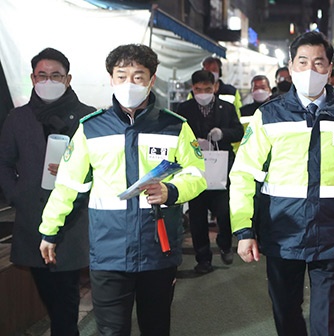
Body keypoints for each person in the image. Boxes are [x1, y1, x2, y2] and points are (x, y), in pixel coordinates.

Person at [38, 44, 206, 336]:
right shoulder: (91, 128)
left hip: (158, 249)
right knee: (111, 331)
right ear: (111, 79)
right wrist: (49, 231)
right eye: (121, 76)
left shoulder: (175, 127)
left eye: (138, 76)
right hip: (109, 250)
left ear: (152, 80)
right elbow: (68, 183)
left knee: (156, 328)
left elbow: (197, 175)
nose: (130, 83)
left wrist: (171, 190)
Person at [229, 31, 334, 336]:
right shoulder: (269, 115)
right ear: (290, 65)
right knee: (286, 313)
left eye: (319, 63)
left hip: (333, 232)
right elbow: (243, 174)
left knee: (327, 319)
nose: (310, 70)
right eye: (303, 62)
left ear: (329, 68)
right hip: (283, 231)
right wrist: (244, 230)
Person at [0, 47, 94, 336]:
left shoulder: (87, 117)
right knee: (49, 293)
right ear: (32, 78)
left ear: (67, 79)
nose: (48, 80)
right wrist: (16, 194)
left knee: (65, 295)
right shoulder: (18, 118)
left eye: (56, 75)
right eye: (43, 75)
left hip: (72, 220)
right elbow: (4, 163)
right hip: (31, 219)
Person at [176, 70, 243, 274]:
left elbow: (239, 131)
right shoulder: (184, 108)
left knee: (224, 212)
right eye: (198, 89)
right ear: (192, 89)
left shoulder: (227, 108)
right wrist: (194, 143)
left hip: (221, 168)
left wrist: (223, 134)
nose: (202, 93)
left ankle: (224, 243)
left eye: (207, 89)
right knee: (197, 216)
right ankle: (203, 258)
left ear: (215, 87)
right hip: (196, 169)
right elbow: (176, 133)